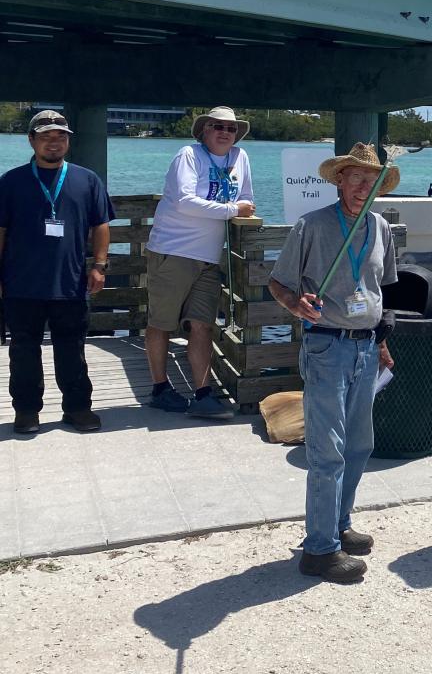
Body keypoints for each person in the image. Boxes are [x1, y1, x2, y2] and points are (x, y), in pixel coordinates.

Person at [269, 143, 398, 583]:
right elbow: (279, 282)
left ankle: (339, 524)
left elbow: (385, 289)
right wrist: (295, 304)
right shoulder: (312, 225)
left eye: (371, 179)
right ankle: (319, 549)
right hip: (327, 346)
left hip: (366, 348)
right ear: (339, 179)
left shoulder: (381, 227)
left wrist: (382, 339)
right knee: (328, 451)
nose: (364, 186)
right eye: (356, 177)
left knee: (360, 444)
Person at [0, 111, 115, 435]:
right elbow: (1, 230)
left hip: (70, 281)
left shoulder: (87, 179)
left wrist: (100, 266)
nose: (54, 142)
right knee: (23, 350)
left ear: (68, 140)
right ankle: (26, 411)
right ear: (32, 140)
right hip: (22, 283)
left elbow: (101, 225)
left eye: (61, 136)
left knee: (72, 349)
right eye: (47, 136)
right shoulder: (12, 181)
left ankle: (78, 409)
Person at [144, 106, 256, 419]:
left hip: (209, 256)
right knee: (161, 323)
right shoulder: (188, 155)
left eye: (231, 129)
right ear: (203, 131)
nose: (224, 132)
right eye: (216, 126)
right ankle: (159, 388)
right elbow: (185, 201)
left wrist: (239, 209)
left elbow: (246, 199)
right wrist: (232, 210)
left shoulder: (240, 158)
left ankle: (203, 392)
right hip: (174, 251)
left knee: (203, 325)